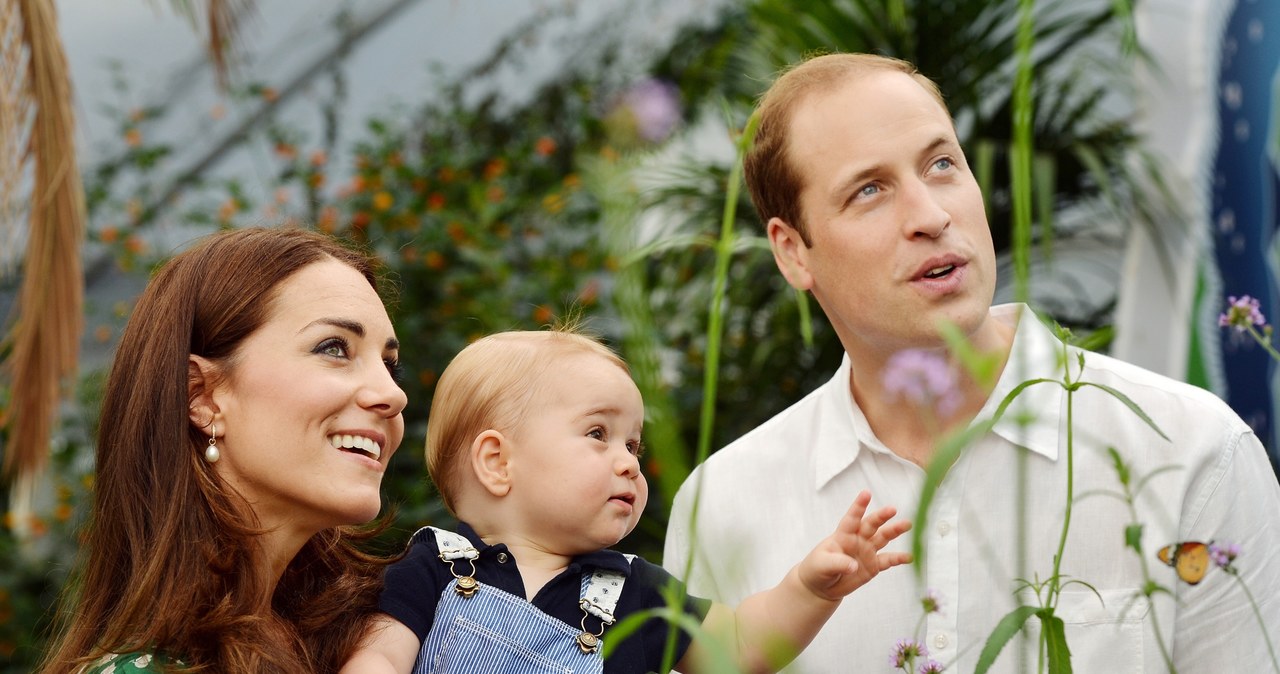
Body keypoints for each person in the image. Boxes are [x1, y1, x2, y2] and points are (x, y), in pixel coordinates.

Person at [663, 53, 1280, 673]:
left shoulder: (1194, 451)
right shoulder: (722, 506)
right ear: (794, 253)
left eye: (941, 165)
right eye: (870, 190)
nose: (931, 217)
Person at [339, 328, 912, 674]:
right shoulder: (436, 566)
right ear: (497, 462)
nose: (629, 462)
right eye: (598, 434)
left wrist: (809, 589)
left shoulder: (636, 591)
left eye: (634, 445)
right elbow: (381, 656)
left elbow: (739, 646)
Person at [37, 227, 410, 674]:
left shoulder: (389, 637)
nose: (393, 394)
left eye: (390, 365)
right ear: (202, 397)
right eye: (334, 348)